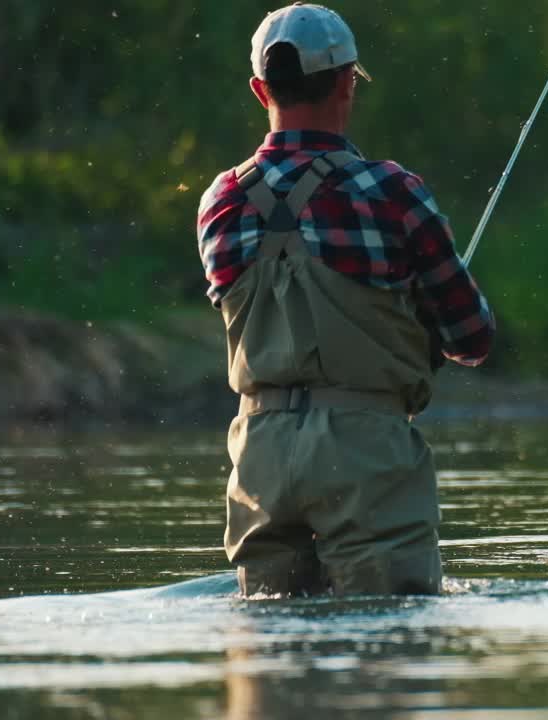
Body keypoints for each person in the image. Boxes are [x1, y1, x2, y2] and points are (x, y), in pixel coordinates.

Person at [196, 3, 494, 597]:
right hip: (366, 453)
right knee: (385, 646)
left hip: (260, 455)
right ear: (345, 82)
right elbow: (473, 339)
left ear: (261, 90)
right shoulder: (390, 192)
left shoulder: (219, 201)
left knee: (273, 659)